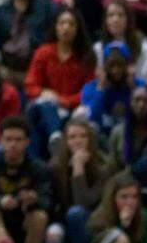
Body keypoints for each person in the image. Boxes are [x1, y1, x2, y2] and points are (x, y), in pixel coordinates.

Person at [0, 115, 54, 243]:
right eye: (8, 139)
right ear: (1, 141)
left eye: (18, 140)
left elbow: (49, 200)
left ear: (27, 142)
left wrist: (34, 199)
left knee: (39, 216)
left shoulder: (39, 168)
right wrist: (0, 201)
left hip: (26, 219)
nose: (13, 144)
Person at [24, 8, 97, 154]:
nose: (66, 28)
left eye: (71, 24)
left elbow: (89, 91)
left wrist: (63, 101)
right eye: (62, 23)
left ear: (78, 29)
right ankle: (55, 137)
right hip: (44, 104)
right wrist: (44, 93)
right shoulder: (43, 52)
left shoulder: (86, 56)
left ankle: (54, 139)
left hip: (72, 108)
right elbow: (30, 84)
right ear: (56, 27)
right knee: (44, 107)